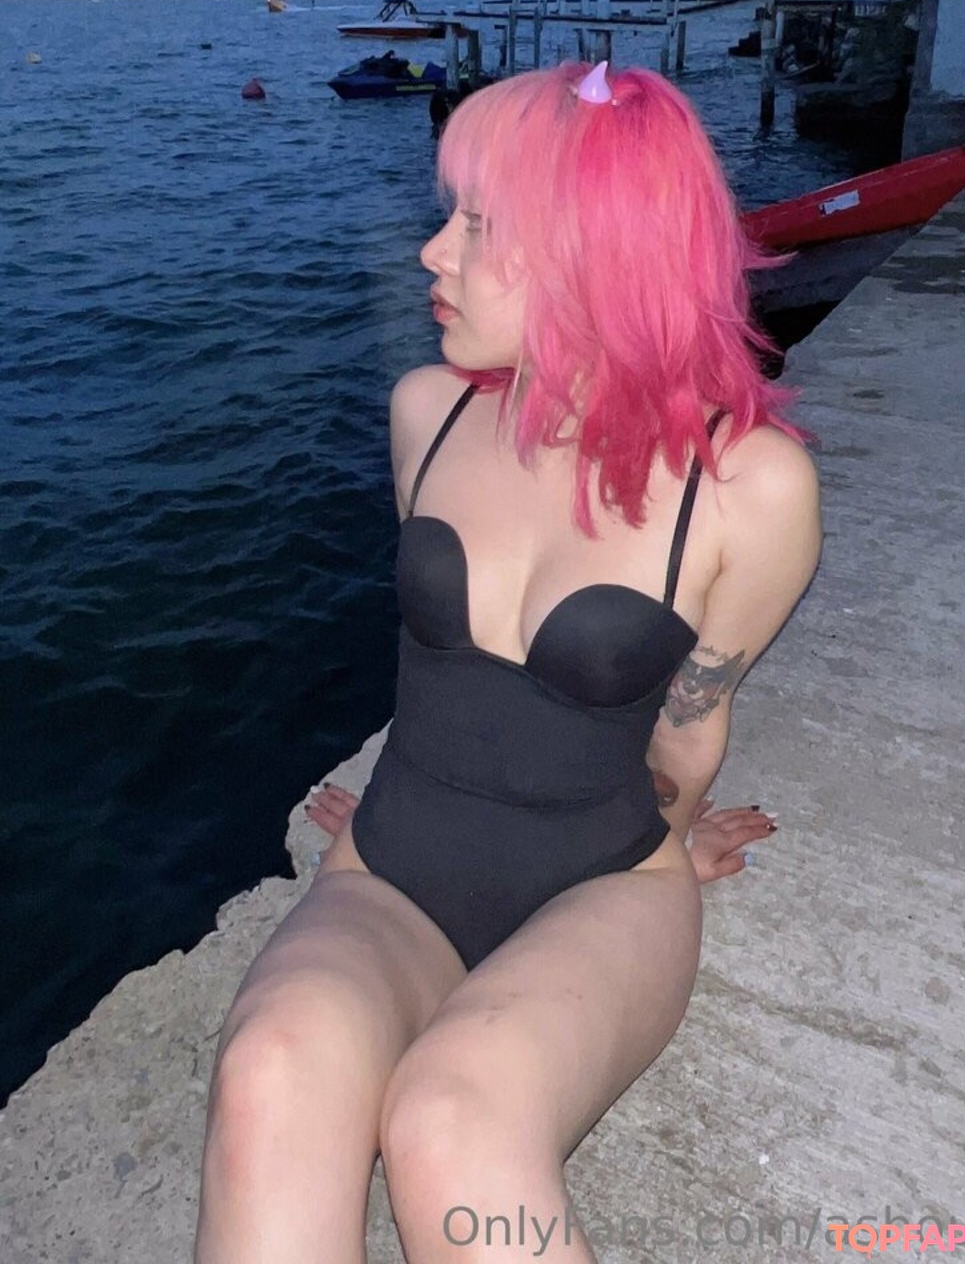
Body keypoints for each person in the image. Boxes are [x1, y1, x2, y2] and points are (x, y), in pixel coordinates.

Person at [194, 61, 821, 1264]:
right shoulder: (426, 412)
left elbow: (692, 721)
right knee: (268, 1073)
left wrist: (666, 840)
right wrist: (425, 797)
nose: (432, 251)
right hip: (394, 865)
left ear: (595, 251)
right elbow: (456, 679)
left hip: (604, 883)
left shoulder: (750, 488)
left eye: (478, 225)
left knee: (453, 1125)